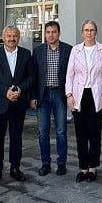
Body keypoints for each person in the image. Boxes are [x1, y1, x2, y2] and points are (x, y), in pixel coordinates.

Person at [0, 25, 36, 185]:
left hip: (18, 103)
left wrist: (20, 89)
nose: (12, 39)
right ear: (3, 37)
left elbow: (31, 77)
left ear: (19, 37)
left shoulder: (26, 54)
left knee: (16, 138)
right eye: (9, 36)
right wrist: (5, 91)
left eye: (15, 36)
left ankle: (15, 168)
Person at [65, 20, 102, 182]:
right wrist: (69, 94)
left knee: (94, 133)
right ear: (82, 33)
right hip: (79, 95)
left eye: (92, 30)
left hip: (96, 95)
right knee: (81, 133)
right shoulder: (75, 50)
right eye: (86, 30)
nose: (89, 33)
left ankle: (92, 168)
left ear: (96, 32)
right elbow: (69, 74)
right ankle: (82, 168)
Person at [31, 21, 72, 176]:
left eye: (54, 32)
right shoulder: (38, 51)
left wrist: (70, 95)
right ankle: (45, 163)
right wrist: (33, 96)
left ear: (59, 33)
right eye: (48, 32)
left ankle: (61, 163)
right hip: (43, 95)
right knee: (43, 131)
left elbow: (72, 74)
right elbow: (33, 76)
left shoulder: (68, 50)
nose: (51, 35)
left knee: (61, 131)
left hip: (60, 94)